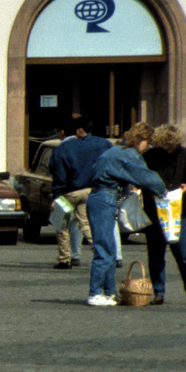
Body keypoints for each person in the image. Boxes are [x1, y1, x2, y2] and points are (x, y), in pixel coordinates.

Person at [85, 123, 166, 307]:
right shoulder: (130, 155)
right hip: (104, 198)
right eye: (148, 142)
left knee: (110, 248)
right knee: (104, 248)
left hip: (100, 197)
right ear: (141, 140)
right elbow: (147, 177)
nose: (148, 147)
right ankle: (95, 293)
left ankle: (109, 292)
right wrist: (162, 192)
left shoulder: (116, 150)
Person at [141, 125, 186, 305]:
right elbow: (142, 177)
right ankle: (158, 291)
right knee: (156, 254)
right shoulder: (151, 156)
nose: (168, 149)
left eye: (171, 146)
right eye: (165, 146)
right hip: (155, 212)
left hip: (178, 212)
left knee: (183, 254)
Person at [50, 116, 108, 271]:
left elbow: (58, 173)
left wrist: (56, 194)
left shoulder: (63, 148)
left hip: (68, 191)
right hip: (89, 190)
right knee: (86, 224)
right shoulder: (101, 144)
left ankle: (65, 259)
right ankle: (100, 254)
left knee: (61, 224)